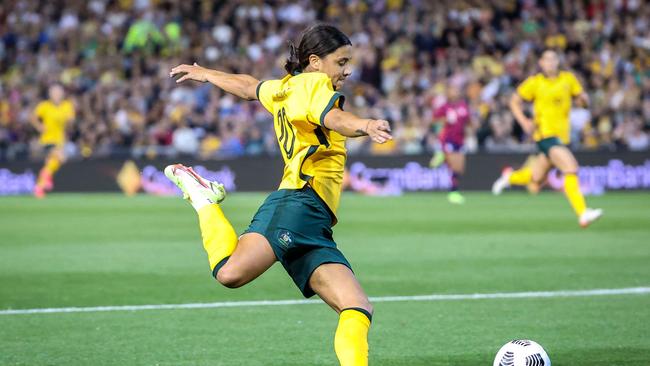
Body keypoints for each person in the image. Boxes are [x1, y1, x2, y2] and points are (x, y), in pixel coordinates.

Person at [166, 24, 392, 366]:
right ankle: (203, 200)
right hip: (297, 204)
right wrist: (364, 125)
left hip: (313, 220)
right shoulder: (316, 84)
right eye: (341, 61)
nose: (347, 69)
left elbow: (248, 87)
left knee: (357, 306)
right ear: (315, 61)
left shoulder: (286, 88)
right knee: (230, 272)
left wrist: (206, 73)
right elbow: (333, 117)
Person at [491, 50, 602, 227]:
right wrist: (524, 121)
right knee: (571, 168)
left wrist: (584, 101)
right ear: (541, 63)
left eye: (553, 59)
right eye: (546, 60)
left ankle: (509, 178)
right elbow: (513, 101)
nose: (550, 63)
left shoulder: (568, 79)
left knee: (536, 177)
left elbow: (582, 101)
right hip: (545, 136)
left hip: (563, 137)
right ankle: (583, 213)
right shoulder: (535, 83)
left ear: (558, 62)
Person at [429, 85, 473, 204]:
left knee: (459, 168)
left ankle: (442, 156)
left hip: (460, 140)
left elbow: (469, 122)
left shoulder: (463, 106)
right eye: (452, 90)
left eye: (456, 90)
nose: (455, 92)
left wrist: (470, 132)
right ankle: (453, 192)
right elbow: (433, 121)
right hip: (448, 139)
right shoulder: (444, 107)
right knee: (453, 166)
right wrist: (445, 120)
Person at [31, 84, 75, 198]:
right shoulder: (44, 106)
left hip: (60, 140)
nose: (56, 95)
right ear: (50, 94)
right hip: (47, 140)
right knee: (61, 158)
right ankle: (46, 180)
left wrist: (70, 122)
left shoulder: (67, 105)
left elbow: (71, 120)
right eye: (54, 93)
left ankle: (40, 186)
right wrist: (39, 126)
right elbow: (33, 117)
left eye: (58, 93)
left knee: (52, 163)